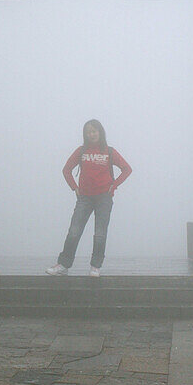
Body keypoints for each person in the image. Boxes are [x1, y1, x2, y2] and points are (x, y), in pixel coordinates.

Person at [46, 119, 132, 277]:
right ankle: (63, 264)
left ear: (100, 132)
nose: (91, 134)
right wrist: (75, 187)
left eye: (94, 131)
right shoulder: (81, 151)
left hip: (104, 198)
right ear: (85, 134)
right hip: (84, 197)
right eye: (88, 131)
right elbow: (66, 170)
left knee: (100, 233)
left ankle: (95, 267)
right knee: (74, 231)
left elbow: (127, 169)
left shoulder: (109, 151)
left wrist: (114, 185)